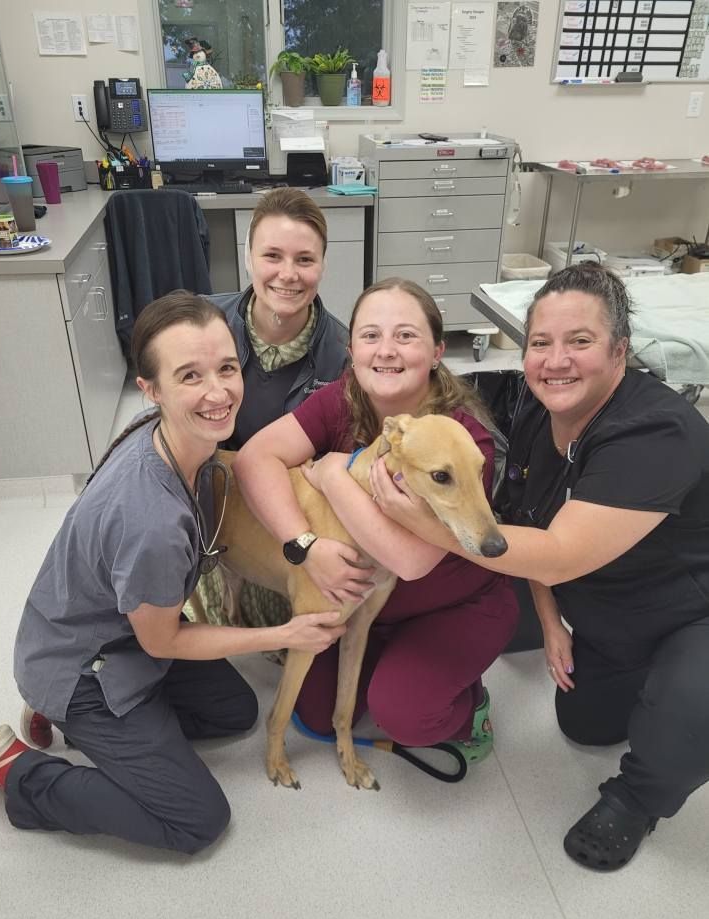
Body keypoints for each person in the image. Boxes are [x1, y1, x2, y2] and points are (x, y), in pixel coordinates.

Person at [0, 291, 344, 854]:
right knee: (196, 819)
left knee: (236, 711)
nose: (218, 393)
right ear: (151, 389)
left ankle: (104, 733)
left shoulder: (173, 437)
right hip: (86, 668)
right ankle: (22, 774)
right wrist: (285, 634)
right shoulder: (152, 518)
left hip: (114, 637)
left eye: (225, 368)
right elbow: (164, 637)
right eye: (190, 376)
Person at [367, 263, 709, 871]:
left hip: (692, 611)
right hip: (605, 607)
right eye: (540, 344)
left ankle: (636, 801)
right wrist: (551, 623)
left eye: (580, 341)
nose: (556, 361)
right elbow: (526, 521)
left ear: (620, 351)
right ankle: (646, 680)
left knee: (686, 720)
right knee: (584, 726)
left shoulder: (658, 431)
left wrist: (422, 524)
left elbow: (559, 551)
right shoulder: (537, 417)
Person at [233, 277, 519, 760]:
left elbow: (409, 563)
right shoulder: (345, 397)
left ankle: (469, 708)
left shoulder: (464, 444)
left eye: (406, 335)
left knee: (404, 714)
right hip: (369, 601)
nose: (386, 350)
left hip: (451, 602)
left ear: (436, 352)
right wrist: (305, 543)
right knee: (316, 714)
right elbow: (252, 459)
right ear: (352, 349)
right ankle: (390, 665)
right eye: (370, 335)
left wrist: (333, 477)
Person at [190, 186, 349, 627]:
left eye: (304, 260)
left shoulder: (343, 356)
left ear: (322, 265)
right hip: (204, 499)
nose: (288, 274)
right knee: (193, 625)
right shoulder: (202, 324)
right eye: (272, 256)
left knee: (285, 639)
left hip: (278, 519)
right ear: (247, 256)